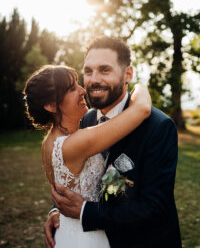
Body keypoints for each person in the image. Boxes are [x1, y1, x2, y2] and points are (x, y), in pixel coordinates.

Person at [45, 36, 182, 248]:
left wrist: (84, 212)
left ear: (128, 74)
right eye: (88, 71)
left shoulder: (159, 126)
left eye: (104, 70)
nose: (93, 80)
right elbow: (76, 175)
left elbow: (155, 208)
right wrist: (57, 210)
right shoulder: (87, 119)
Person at [23, 63, 151, 248]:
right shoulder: (75, 143)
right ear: (51, 105)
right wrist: (139, 86)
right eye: (72, 89)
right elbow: (142, 109)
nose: (82, 90)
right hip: (87, 238)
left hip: (67, 232)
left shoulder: (49, 142)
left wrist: (54, 212)